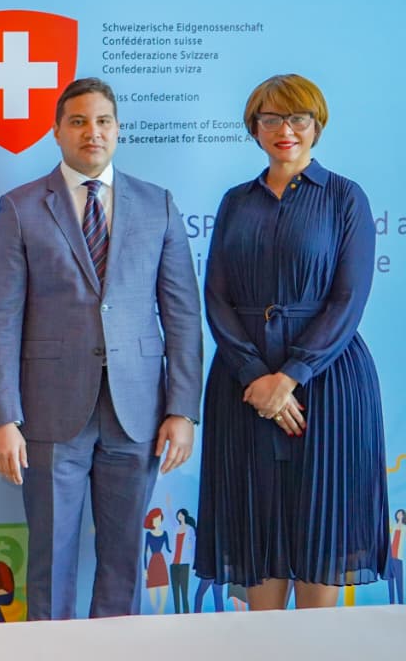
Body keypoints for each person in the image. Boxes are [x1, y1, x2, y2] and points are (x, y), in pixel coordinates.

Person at [0, 77, 202, 620]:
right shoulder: (21, 208)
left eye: (103, 121)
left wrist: (182, 409)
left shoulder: (158, 204)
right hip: (51, 413)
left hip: (137, 412)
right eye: (78, 121)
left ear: (118, 129)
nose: (92, 132)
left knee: (124, 563)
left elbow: (182, 315)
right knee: (51, 561)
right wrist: (3, 417)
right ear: (56, 132)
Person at [194, 74, 387, 610]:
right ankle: (262, 641)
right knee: (254, 523)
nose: (286, 129)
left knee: (324, 523)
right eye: (272, 118)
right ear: (254, 128)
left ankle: (317, 643)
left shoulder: (345, 197)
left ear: (316, 125)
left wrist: (292, 375)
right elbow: (217, 298)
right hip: (244, 386)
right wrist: (257, 376)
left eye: (298, 117)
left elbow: (348, 299)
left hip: (329, 383)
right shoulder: (235, 201)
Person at [142, 508, 170, 613]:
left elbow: (168, 549)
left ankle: (161, 612)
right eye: (155, 519)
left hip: (161, 562)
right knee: (152, 592)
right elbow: (145, 552)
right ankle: (156, 613)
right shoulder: (148, 534)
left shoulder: (165, 533)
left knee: (164, 587)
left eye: (158, 519)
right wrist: (145, 570)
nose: (157, 521)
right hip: (152, 563)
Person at [169, 508, 195, 613]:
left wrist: (193, 564)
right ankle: (177, 613)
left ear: (184, 515)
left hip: (184, 564)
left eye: (180, 514)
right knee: (175, 592)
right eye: (178, 515)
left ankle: (186, 613)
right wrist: (169, 506)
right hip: (173, 564)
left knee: (184, 592)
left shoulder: (190, 529)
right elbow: (171, 519)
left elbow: (193, 547)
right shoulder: (176, 528)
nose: (179, 516)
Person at [387, 510, 405, 604]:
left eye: (401, 513)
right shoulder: (393, 526)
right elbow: (387, 523)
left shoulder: (404, 527)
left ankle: (401, 602)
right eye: (398, 513)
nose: (399, 515)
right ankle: (391, 602)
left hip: (398, 558)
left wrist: (401, 521)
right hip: (390, 557)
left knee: (399, 581)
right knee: (390, 580)